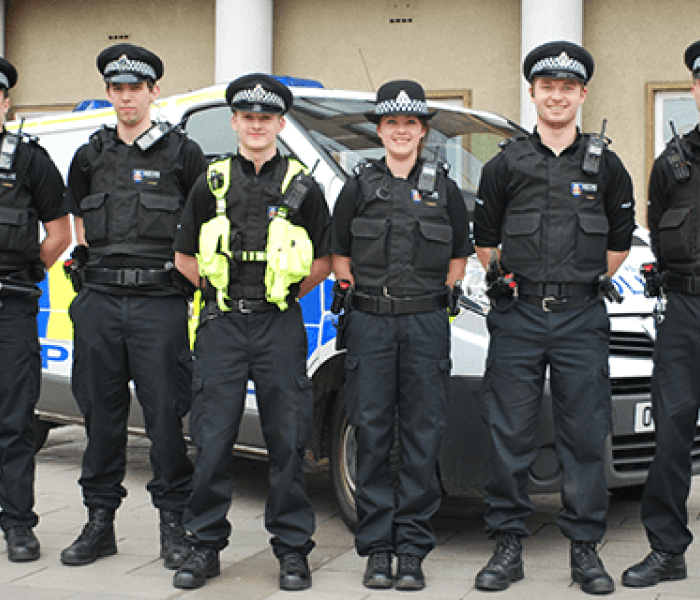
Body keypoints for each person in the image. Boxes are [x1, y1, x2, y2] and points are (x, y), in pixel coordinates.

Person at [473, 41, 635, 595]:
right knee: (509, 434)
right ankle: (507, 545)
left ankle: (585, 551)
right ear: (534, 93)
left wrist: (573, 283)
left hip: (581, 317)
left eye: (568, 88)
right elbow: (485, 240)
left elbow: (618, 244)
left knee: (585, 435)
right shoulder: (506, 163)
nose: (558, 96)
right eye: (548, 87)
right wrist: (523, 283)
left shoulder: (606, 165)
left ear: (582, 94)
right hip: (518, 315)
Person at [171, 73, 330, 591]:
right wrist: (223, 298)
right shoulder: (210, 182)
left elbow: (324, 260)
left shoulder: (303, 186)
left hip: (277, 325)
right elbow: (184, 257)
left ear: (280, 124)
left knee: (287, 440)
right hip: (220, 325)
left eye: (266, 118)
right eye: (247, 117)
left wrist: (278, 298)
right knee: (213, 439)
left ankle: (291, 550)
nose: (256, 125)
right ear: (235, 122)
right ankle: (203, 546)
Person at [60, 43, 207, 569]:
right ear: (109, 94)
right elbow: (78, 220)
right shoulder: (89, 155)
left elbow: (202, 224)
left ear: (153, 93)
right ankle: (99, 523)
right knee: (100, 419)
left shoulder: (182, 154)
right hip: (99, 302)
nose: (127, 98)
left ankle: (174, 526)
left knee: (166, 418)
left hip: (159, 304)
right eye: (118, 89)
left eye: (135, 89)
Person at [330, 80, 470, 591]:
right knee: (372, 433)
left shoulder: (444, 188)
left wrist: (441, 294)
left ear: (423, 131)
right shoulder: (359, 185)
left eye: (410, 124)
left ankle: (411, 548)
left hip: (426, 324)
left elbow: (459, 252)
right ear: (380, 130)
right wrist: (354, 289)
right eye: (392, 123)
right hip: (370, 323)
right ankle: (377, 548)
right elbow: (339, 251)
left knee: (421, 434)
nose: (401, 131)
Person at [621, 40, 700, 589]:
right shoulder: (671, 165)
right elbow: (654, 224)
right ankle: (667, 551)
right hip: (686, 308)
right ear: (695, 88)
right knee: (670, 432)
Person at [0, 58, 71, 562]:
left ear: (5, 102)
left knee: (14, 420)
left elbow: (60, 234)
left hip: (10, 306)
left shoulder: (29, 161)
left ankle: (18, 524)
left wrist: (23, 274)